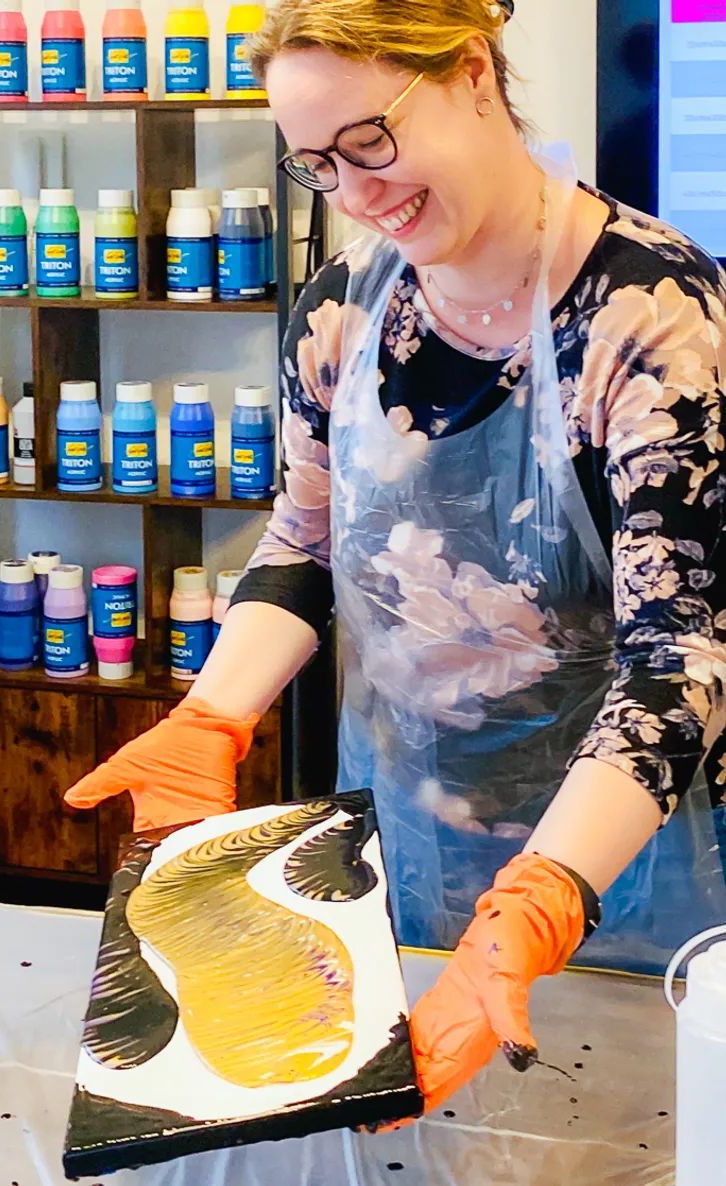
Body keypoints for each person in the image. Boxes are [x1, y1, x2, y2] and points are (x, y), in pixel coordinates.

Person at [66, 0, 726, 1112]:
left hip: (615, 862)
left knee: (616, 1135)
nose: (357, 191)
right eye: (317, 163)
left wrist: (545, 898)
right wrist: (210, 717)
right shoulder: (341, 312)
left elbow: (677, 660)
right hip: (403, 837)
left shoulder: (649, 315)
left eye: (370, 140)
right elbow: (303, 544)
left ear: (472, 73)